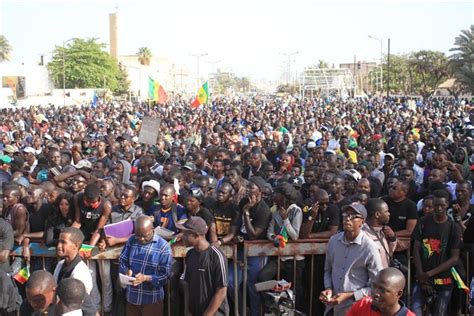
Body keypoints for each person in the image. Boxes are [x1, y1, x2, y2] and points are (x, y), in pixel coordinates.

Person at [320, 202, 383, 315]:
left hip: (356, 307)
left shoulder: (370, 248)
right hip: (332, 307)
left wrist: (350, 295)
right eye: (345, 215)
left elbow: (376, 286)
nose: (347, 219)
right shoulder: (333, 241)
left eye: (353, 216)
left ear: (362, 222)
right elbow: (328, 270)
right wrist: (328, 288)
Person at [412, 189, 462, 316]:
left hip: (444, 281)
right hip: (422, 278)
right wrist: (421, 276)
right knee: (415, 311)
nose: (438, 208)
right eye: (436, 205)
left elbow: (454, 258)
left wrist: (429, 274)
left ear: (447, 205)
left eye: (442, 205)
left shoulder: (453, 228)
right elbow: (416, 249)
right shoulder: (423, 222)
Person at [257, 182, 304, 312]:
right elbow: (270, 232)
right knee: (263, 278)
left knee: (293, 289)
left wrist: (285, 220)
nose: (274, 196)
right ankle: (271, 307)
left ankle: (291, 312)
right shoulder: (276, 211)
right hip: (279, 256)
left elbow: (295, 236)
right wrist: (274, 238)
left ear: (284, 196)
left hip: (294, 259)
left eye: (277, 194)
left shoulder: (296, 210)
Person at [119, 216, 172, 316]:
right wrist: (126, 271)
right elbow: (122, 261)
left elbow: (166, 276)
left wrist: (146, 278)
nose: (141, 239)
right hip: (132, 298)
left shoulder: (163, 246)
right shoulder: (131, 240)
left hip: (152, 300)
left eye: (145, 235)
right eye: (138, 235)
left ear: (152, 229)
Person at [179, 216, 229, 316]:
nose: (182, 236)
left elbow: (221, 291)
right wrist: (187, 310)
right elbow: (187, 284)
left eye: (185, 234)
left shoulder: (217, 256)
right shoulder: (190, 254)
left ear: (196, 235)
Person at [53, 227, 97, 315]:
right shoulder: (60, 264)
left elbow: (79, 303)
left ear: (75, 245)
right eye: (59, 241)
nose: (59, 246)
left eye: (63, 242)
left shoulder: (80, 272)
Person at [346, 268, 415, 315]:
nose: (376, 293)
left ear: (399, 294)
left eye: (382, 290)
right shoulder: (362, 305)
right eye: (374, 286)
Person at [363, 198, 397, 269]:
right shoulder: (363, 234)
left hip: (384, 275)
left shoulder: (382, 231)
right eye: (386, 211)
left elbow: (389, 253)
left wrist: (392, 238)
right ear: (377, 214)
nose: (389, 214)